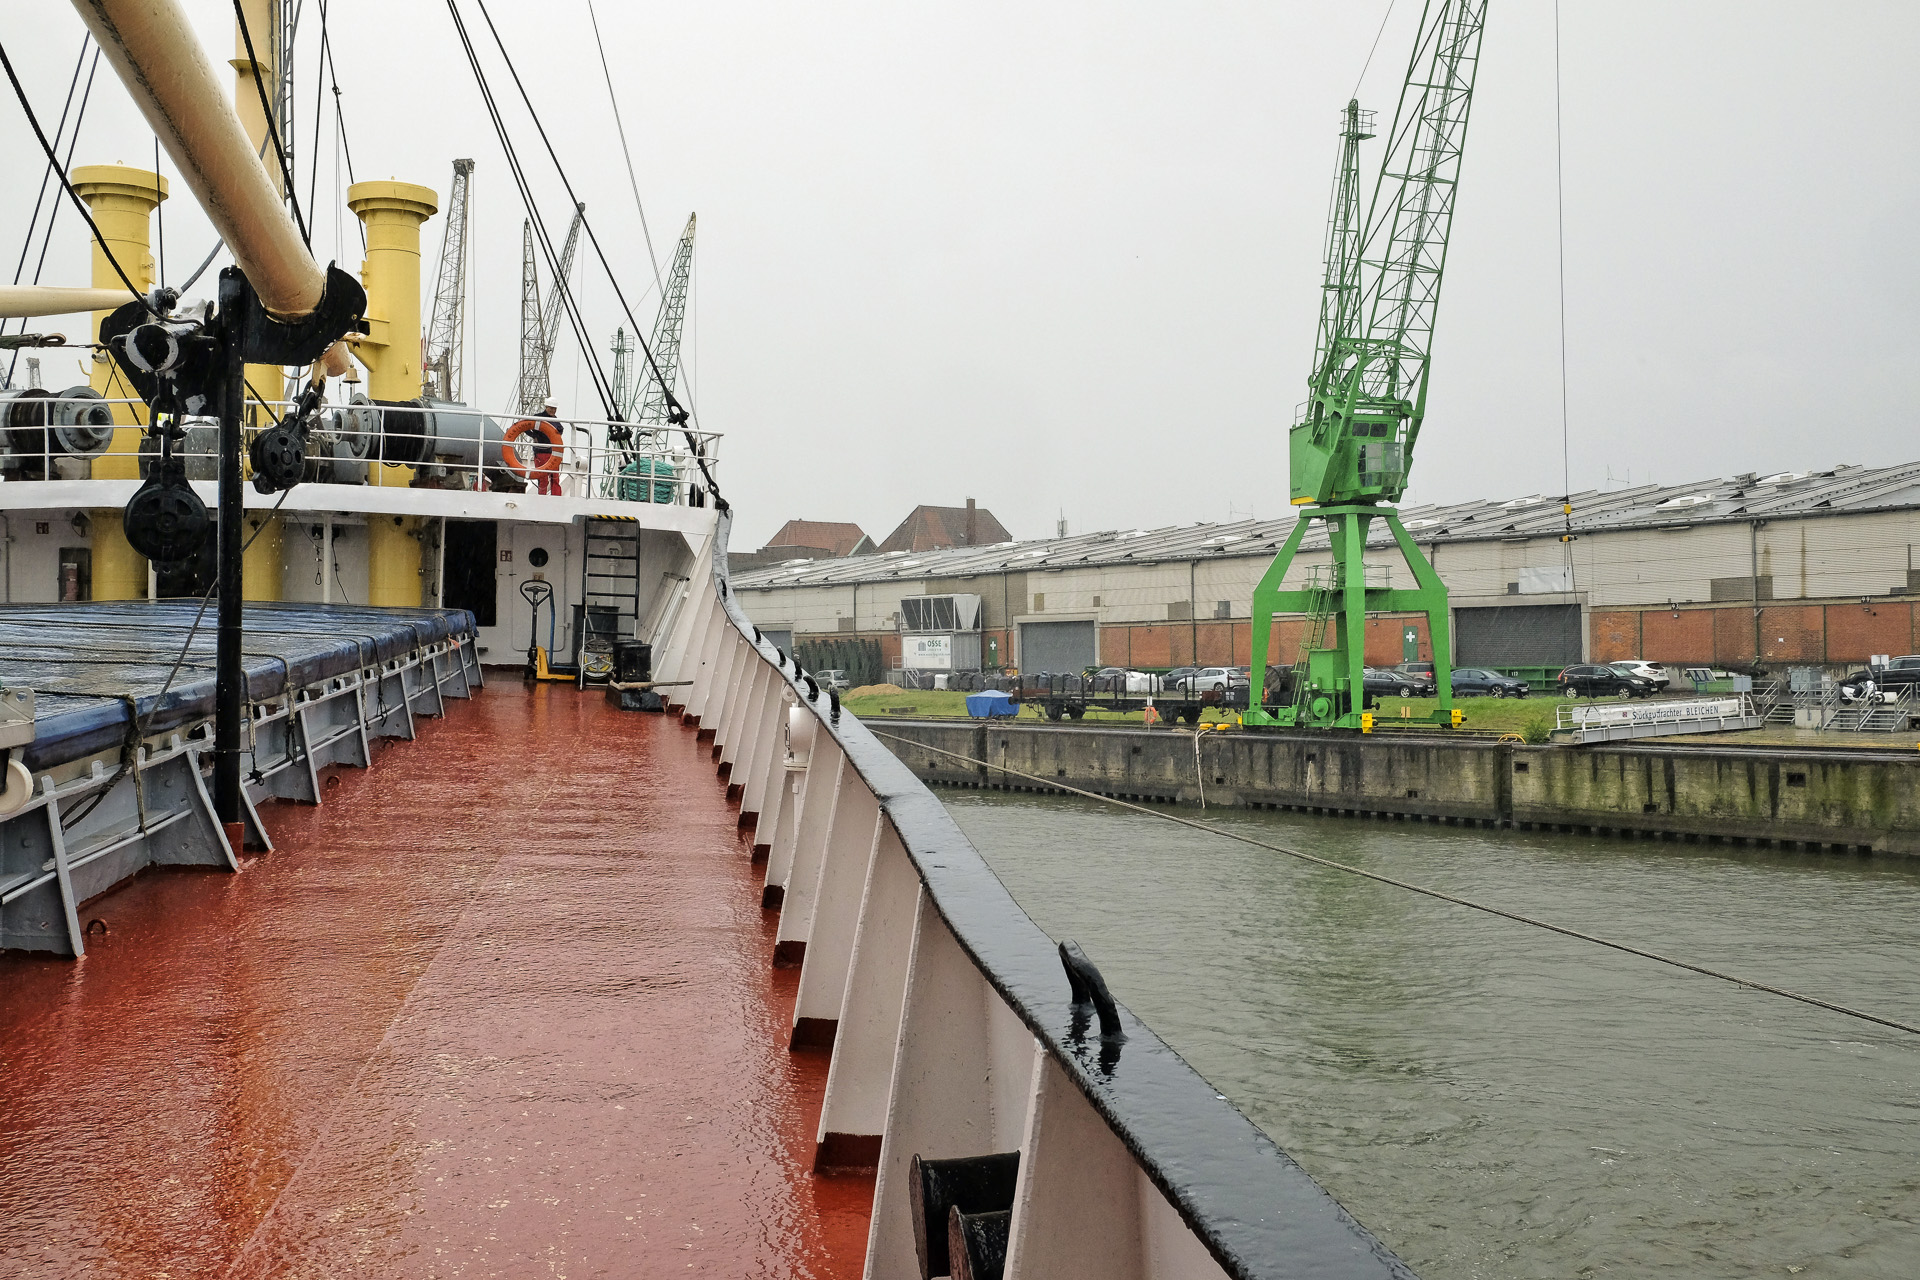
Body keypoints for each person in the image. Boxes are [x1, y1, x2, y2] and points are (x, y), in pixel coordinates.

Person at [532, 398, 563, 495]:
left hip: (553, 453)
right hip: (540, 452)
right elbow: (525, 426)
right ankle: (541, 498)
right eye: (551, 408)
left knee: (555, 478)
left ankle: (556, 497)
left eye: (554, 409)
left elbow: (560, 430)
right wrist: (535, 436)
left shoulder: (555, 421)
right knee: (543, 478)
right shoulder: (538, 417)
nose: (553, 410)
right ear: (546, 407)